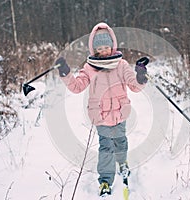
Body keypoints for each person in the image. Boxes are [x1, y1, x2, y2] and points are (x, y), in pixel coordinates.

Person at [55, 22, 148, 196]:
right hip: (101, 116)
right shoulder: (90, 68)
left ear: (112, 45)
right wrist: (66, 73)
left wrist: (141, 75)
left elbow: (135, 86)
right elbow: (76, 87)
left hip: (120, 112)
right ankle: (105, 180)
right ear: (94, 49)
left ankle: (122, 163)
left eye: (107, 46)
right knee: (106, 148)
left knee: (120, 142)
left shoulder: (121, 65)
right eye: (100, 48)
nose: (104, 50)